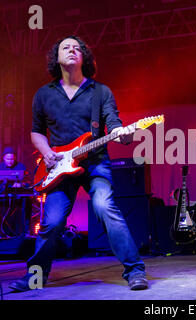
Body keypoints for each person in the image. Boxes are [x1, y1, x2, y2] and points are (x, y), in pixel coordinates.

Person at [9, 35, 148, 291]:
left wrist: (122, 133)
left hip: (95, 162)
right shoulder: (43, 94)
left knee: (104, 206)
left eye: (77, 48)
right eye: (66, 47)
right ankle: (35, 276)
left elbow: (113, 122)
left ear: (84, 57)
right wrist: (47, 152)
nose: (72, 50)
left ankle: (135, 271)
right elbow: (36, 131)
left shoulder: (100, 92)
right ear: (56, 58)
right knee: (51, 222)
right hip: (60, 166)